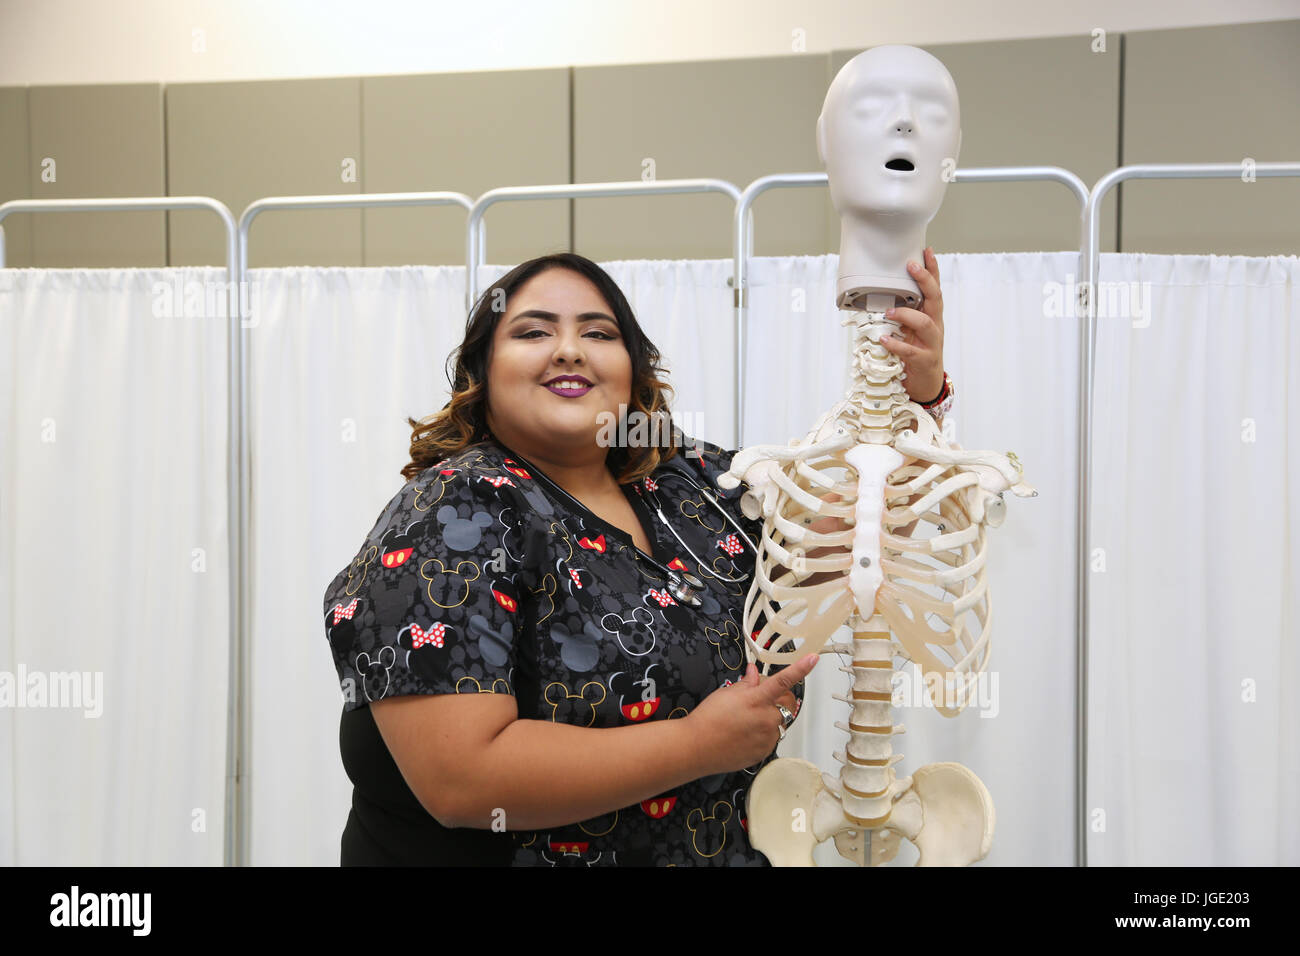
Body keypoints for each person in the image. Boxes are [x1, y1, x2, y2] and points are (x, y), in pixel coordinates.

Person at [321, 249, 948, 866]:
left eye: (598, 333)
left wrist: (911, 400)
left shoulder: (687, 479)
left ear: (631, 372)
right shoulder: (456, 511)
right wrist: (697, 745)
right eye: (534, 331)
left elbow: (833, 547)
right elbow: (463, 780)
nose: (570, 350)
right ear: (483, 375)